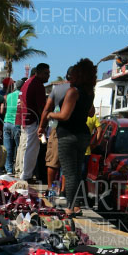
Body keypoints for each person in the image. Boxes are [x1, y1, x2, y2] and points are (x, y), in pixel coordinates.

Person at [48, 58, 97, 217]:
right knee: (76, 172)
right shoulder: (90, 93)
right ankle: (76, 205)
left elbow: (64, 115)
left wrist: (50, 114)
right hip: (83, 134)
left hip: (68, 135)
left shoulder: (73, 92)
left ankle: (69, 207)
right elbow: (91, 113)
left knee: (69, 173)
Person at [37, 71, 71, 195]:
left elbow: (47, 109)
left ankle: (51, 189)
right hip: (75, 131)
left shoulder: (58, 89)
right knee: (68, 164)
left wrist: (41, 127)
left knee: (52, 162)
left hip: (57, 128)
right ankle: (63, 191)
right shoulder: (82, 90)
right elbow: (91, 112)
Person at [16, 63, 50, 181]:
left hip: (25, 119)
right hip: (32, 120)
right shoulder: (38, 85)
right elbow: (42, 108)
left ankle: (25, 173)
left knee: (26, 148)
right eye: (46, 73)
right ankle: (26, 175)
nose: (48, 77)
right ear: (38, 73)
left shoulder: (27, 83)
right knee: (32, 149)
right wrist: (43, 123)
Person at [2, 79, 24, 175]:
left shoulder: (9, 96)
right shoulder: (22, 96)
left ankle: (9, 170)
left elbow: (4, 108)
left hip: (6, 122)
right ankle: (18, 168)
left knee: (8, 148)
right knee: (19, 148)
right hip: (17, 123)